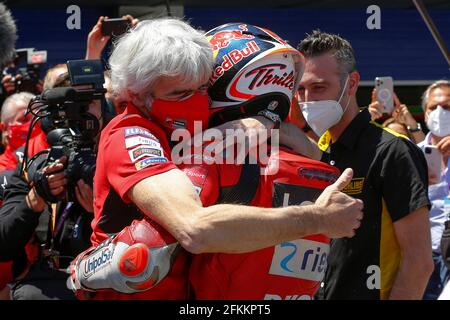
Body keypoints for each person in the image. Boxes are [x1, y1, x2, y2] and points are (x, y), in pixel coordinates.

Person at [68, 18, 363, 300]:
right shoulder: (130, 132)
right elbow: (195, 228)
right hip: (129, 295)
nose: (197, 101)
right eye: (182, 93)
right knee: (151, 242)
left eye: (202, 89)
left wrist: (271, 123)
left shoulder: (185, 128)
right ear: (138, 94)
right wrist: (317, 218)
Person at [295, 30, 432, 300]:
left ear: (352, 83)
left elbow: (419, 261)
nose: (308, 99)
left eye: (319, 87)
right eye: (301, 89)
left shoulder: (392, 150)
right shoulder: (317, 150)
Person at [0, 64, 98, 300]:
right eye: (65, 97)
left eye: (88, 99)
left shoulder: (121, 147)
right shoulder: (34, 161)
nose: (77, 110)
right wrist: (35, 200)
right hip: (46, 281)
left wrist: (100, 212)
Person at [417, 80, 450, 300]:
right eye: (433, 107)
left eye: (447, 107)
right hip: (422, 255)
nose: (439, 112)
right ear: (425, 113)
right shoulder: (411, 154)